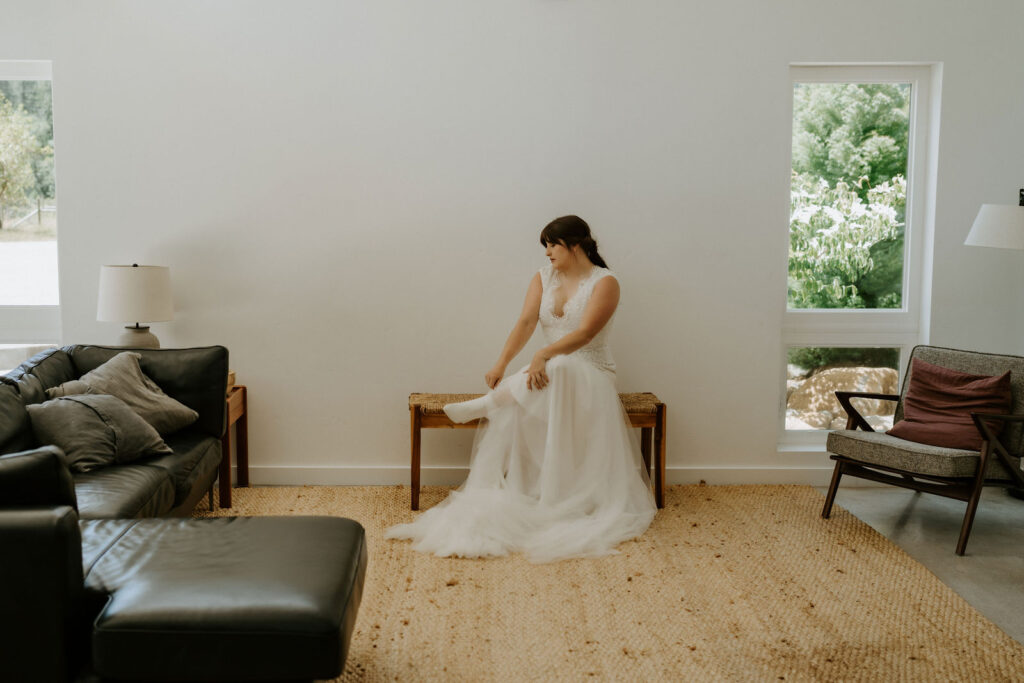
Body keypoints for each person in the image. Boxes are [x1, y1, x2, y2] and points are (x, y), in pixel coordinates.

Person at [386, 216, 656, 562]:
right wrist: (501, 363)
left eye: (552, 244)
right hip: (544, 374)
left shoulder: (606, 282)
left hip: (592, 369)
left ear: (575, 245)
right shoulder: (542, 278)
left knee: (559, 365)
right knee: (550, 370)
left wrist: (543, 353)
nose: (547, 253)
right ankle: (495, 398)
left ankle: (487, 404)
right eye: (545, 245)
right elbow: (527, 322)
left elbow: (587, 334)